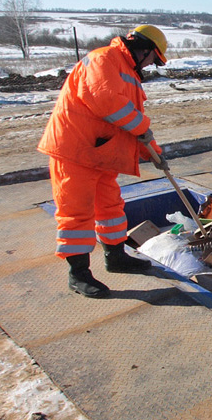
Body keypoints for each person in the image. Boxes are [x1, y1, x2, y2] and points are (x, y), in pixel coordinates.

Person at [37, 25, 169, 298]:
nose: (152, 64)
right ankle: (79, 274)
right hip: (76, 150)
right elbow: (106, 102)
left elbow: (130, 123)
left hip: (101, 153)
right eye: (154, 58)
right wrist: (143, 129)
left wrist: (153, 151)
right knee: (76, 214)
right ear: (143, 49)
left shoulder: (126, 70)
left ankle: (116, 258)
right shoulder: (103, 59)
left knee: (110, 208)